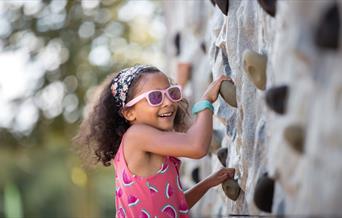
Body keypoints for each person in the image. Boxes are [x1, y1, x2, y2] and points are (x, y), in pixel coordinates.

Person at [74, 64, 235, 217]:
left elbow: (173, 207)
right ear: (129, 113)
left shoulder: (148, 143)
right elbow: (197, 146)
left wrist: (208, 183)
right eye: (155, 97)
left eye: (171, 93)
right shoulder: (136, 135)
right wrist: (205, 101)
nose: (168, 102)